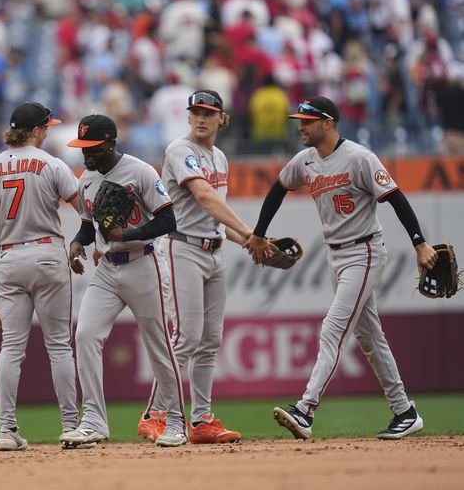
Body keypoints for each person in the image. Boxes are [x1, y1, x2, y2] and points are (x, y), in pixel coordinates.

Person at [244, 96, 438, 440]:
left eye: (307, 121)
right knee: (370, 338)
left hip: (364, 252)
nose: (300, 127)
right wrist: (258, 234)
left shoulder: (360, 158)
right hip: (336, 257)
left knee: (333, 328)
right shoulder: (305, 161)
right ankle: (404, 411)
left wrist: (419, 243)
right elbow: (278, 189)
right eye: (299, 121)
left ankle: (305, 410)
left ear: (328, 123)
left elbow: (394, 196)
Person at [59, 114, 187, 448]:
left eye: (93, 147)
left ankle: (175, 422)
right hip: (107, 270)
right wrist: (76, 245)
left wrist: (127, 233)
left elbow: (168, 220)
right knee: (85, 335)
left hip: (142, 264)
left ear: (111, 143)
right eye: (82, 146)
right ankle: (94, 422)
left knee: (158, 344)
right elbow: (89, 227)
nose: (87, 153)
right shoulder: (86, 178)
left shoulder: (141, 170)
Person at [139, 90, 257, 445]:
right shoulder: (180, 150)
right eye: (195, 112)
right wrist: (251, 233)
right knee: (186, 337)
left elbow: (215, 217)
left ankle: (202, 420)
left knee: (210, 341)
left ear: (223, 118)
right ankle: (155, 414)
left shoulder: (220, 156)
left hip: (214, 248)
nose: (200, 118)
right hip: (183, 247)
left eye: (208, 112)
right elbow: (205, 197)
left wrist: (250, 243)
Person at [0, 102, 79, 451]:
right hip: (47, 253)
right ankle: (71, 426)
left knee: (11, 348)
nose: (47, 132)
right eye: (44, 127)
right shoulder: (51, 163)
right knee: (59, 344)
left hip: (10, 257)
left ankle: (6, 430)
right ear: (33, 131)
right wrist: (89, 242)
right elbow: (84, 207)